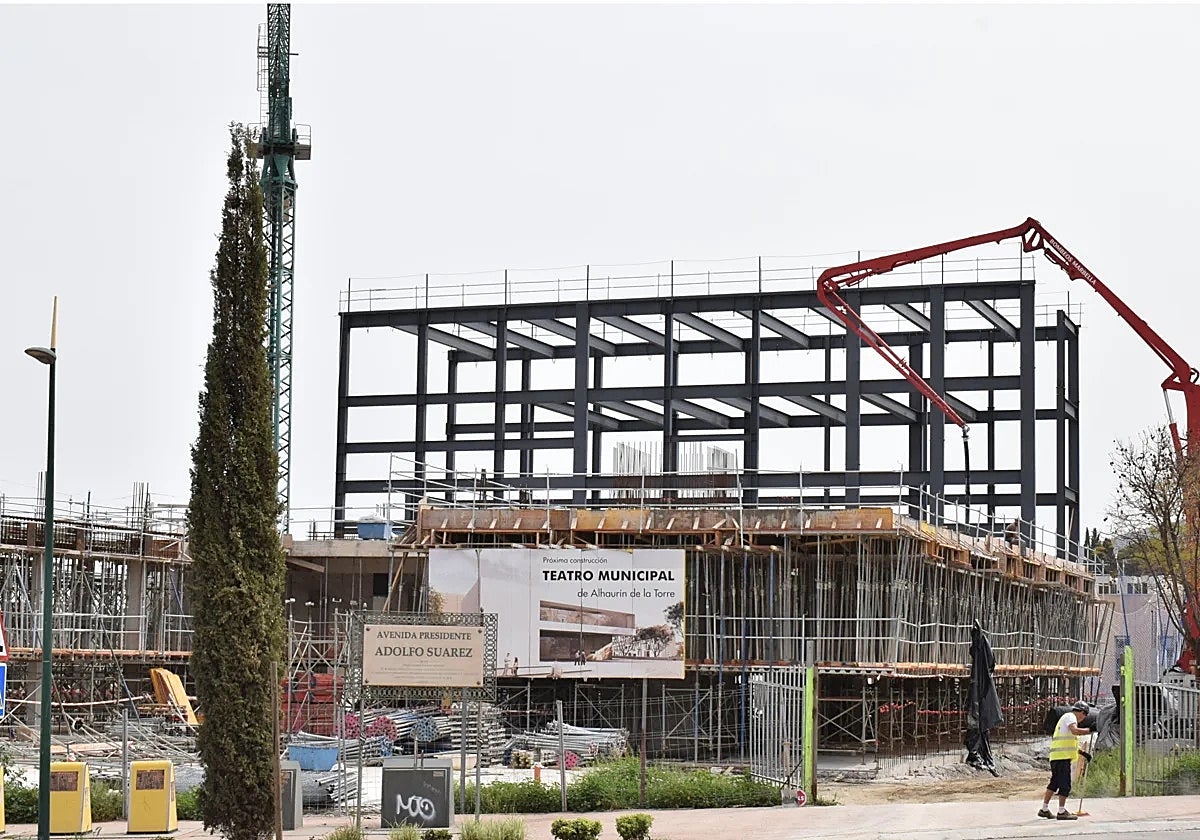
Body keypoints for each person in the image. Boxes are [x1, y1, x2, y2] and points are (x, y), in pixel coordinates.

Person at [1040, 700, 1091, 820]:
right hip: (1062, 758)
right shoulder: (1070, 717)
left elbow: (1069, 743)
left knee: (1054, 783)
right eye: (1084, 716)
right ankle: (1061, 811)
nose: (1083, 719)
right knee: (1065, 785)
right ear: (1082, 713)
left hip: (1057, 757)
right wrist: (1090, 730)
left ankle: (1044, 809)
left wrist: (1083, 753)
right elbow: (1075, 731)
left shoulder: (1066, 718)